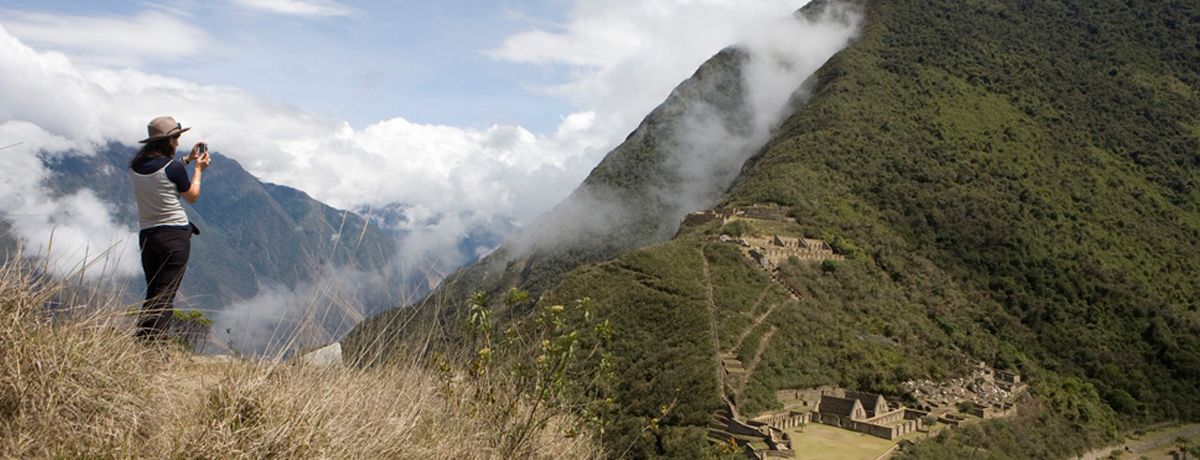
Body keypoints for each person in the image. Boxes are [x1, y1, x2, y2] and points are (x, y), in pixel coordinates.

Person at [128, 116, 211, 342]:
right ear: (169, 140)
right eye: (176, 138)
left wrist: (187, 160)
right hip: (174, 237)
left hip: (148, 236)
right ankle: (156, 350)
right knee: (165, 296)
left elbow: (160, 175)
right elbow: (192, 195)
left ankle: (142, 342)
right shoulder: (172, 167)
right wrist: (198, 169)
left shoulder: (135, 167)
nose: (177, 143)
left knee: (154, 292)